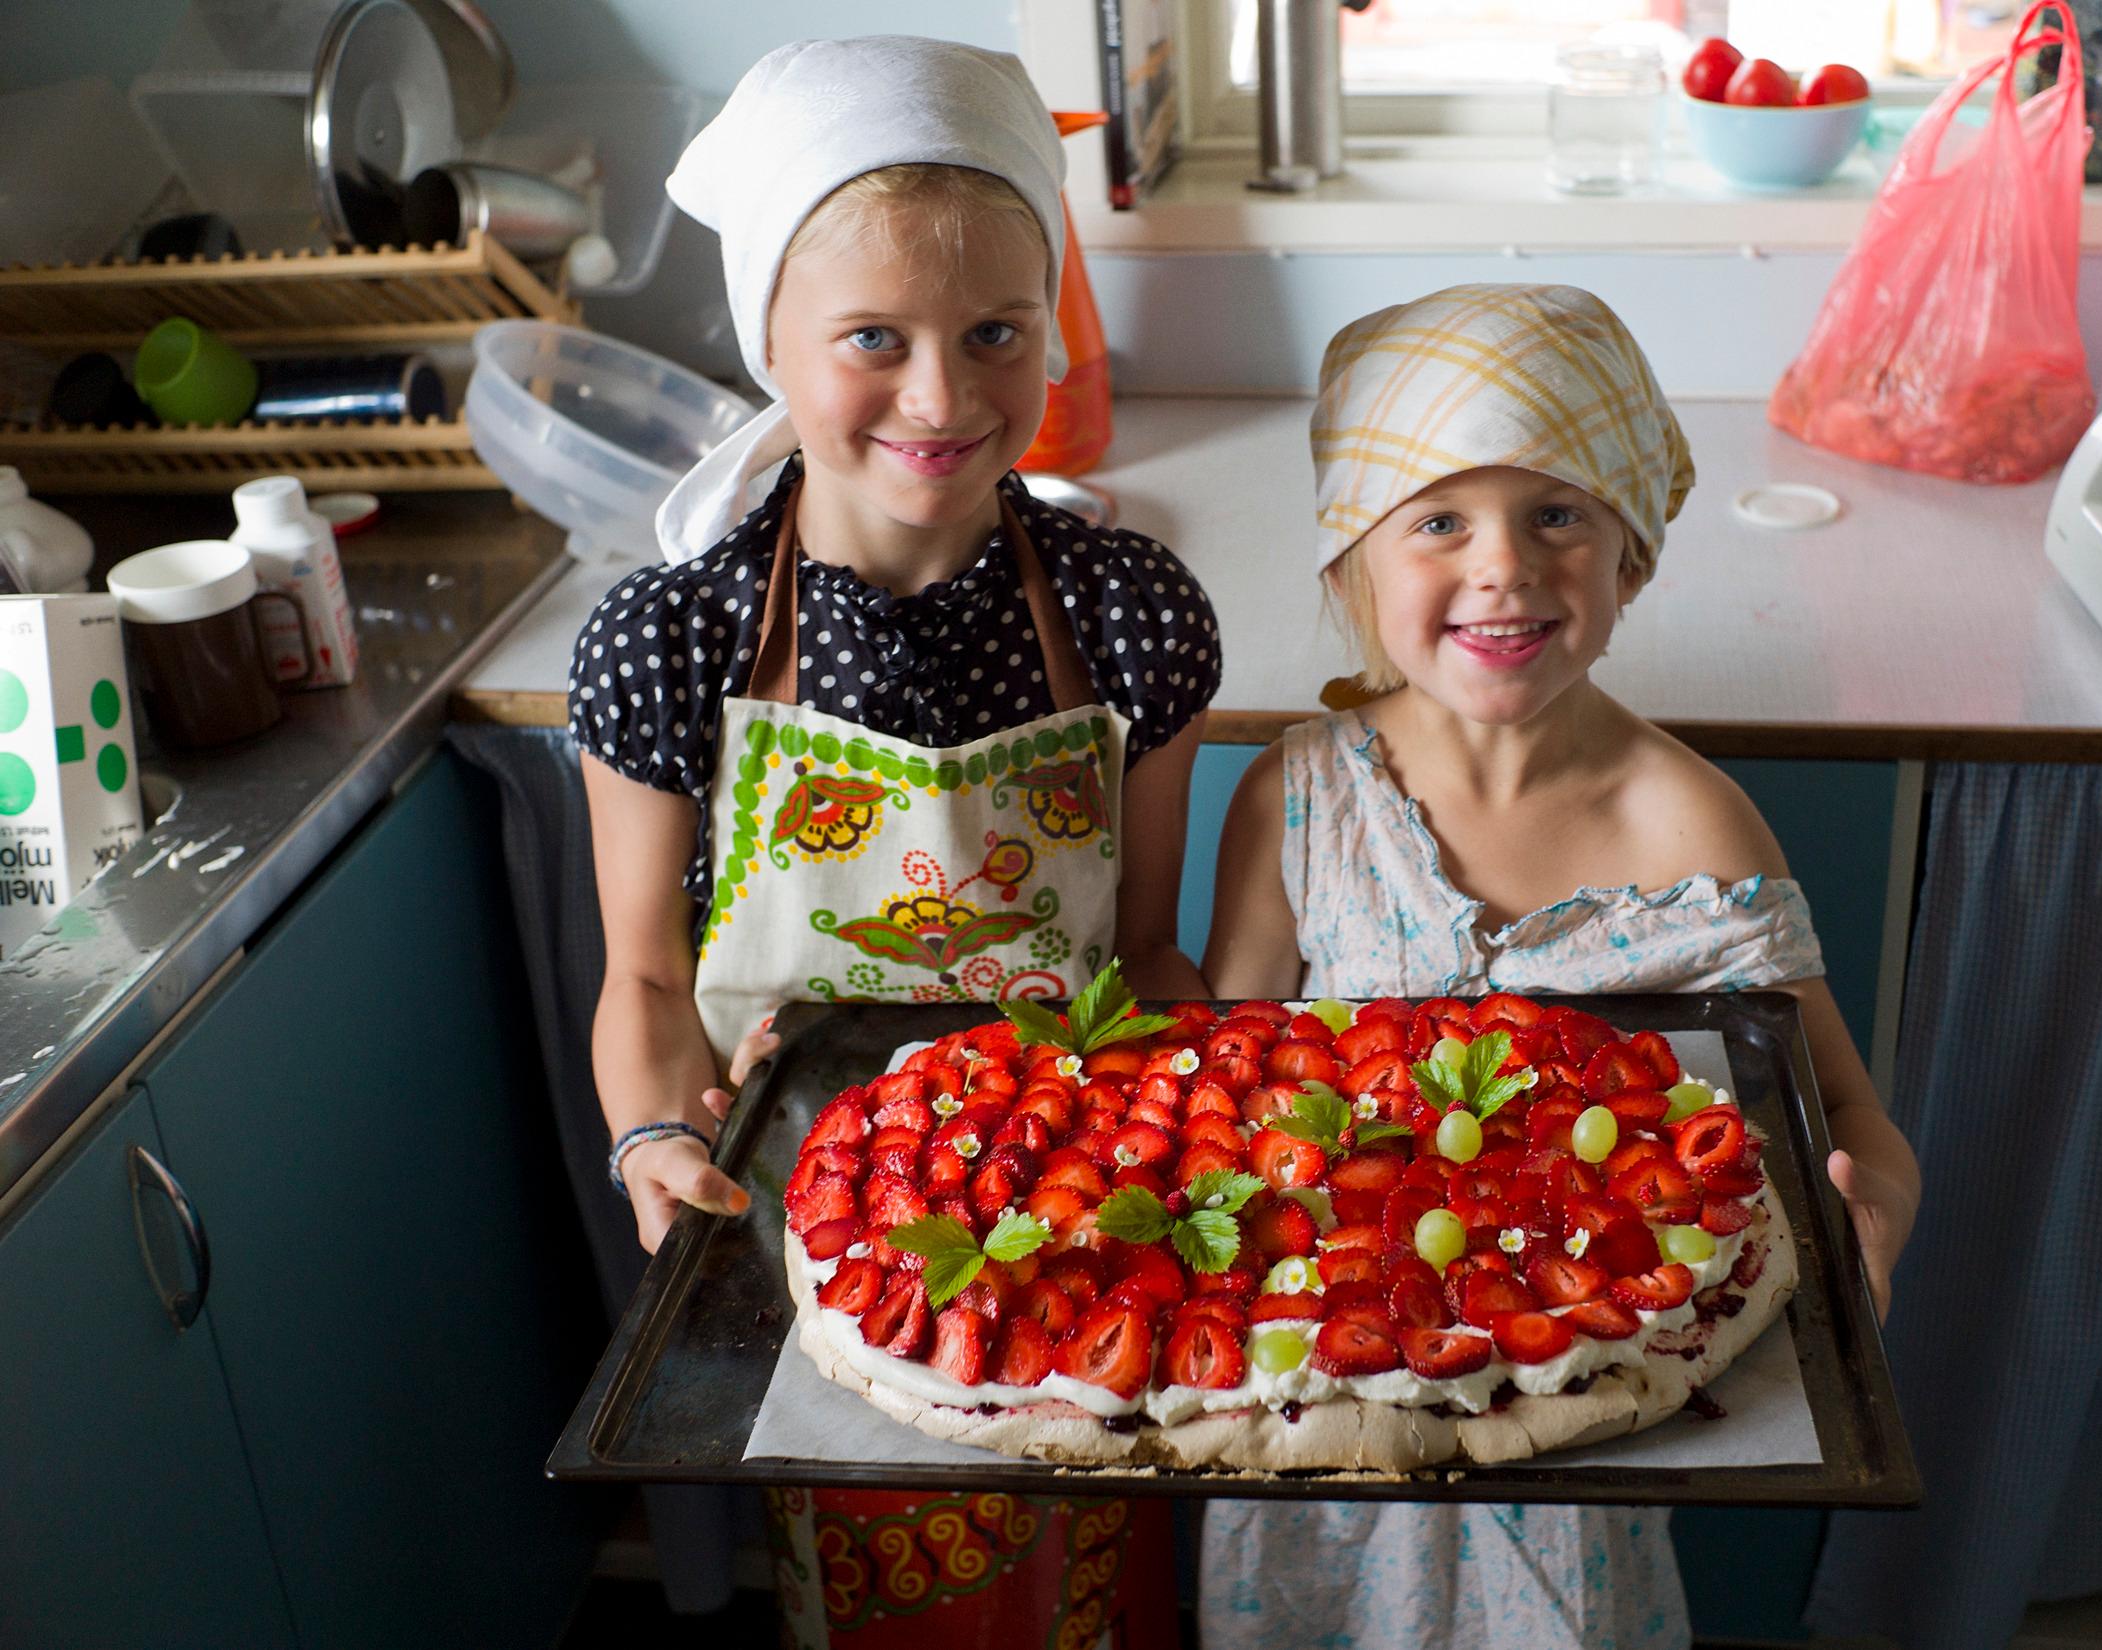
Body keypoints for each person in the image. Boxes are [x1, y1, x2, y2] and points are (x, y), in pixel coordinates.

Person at [566, 36, 1214, 1650]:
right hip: (809, 1232)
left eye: (998, 332)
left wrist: (1197, 1138)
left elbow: (1142, 951)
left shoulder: (1131, 612)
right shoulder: (668, 637)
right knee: (873, 1586)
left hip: (1083, 1223)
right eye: (874, 337)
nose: (943, 396)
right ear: (769, 343)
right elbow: (644, 975)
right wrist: (656, 1143)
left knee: (1095, 1589)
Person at [1196, 282, 1920, 1650]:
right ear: (1356, 555)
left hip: (1581, 1463)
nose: (1505, 569)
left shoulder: (1693, 827)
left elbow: (1855, 1121)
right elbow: (1226, 1097)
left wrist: (1869, 1213)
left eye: (1559, 514)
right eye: (1439, 520)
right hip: (1323, 1432)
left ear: (1633, 552)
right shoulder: (1298, 801)